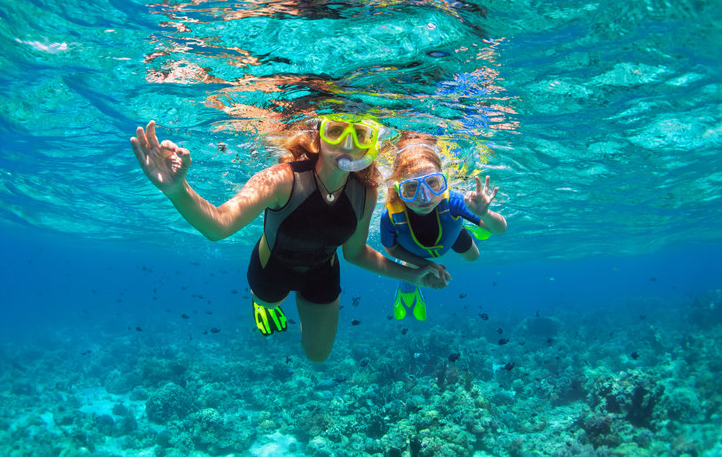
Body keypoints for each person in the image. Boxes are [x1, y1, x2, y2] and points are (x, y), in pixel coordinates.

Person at [130, 117, 449, 362]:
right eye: (336, 131)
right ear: (319, 136)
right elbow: (219, 225)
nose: (348, 145)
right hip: (273, 268)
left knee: (317, 356)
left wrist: (414, 274)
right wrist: (176, 190)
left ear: (370, 144)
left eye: (360, 135)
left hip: (323, 271)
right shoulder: (282, 179)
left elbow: (355, 254)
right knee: (268, 302)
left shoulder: (366, 192)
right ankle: (261, 302)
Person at [380, 137, 507, 321]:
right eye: (411, 187)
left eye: (432, 183)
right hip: (412, 250)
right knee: (410, 269)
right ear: (399, 189)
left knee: (474, 257)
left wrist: (485, 214)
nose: (424, 197)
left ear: (444, 181)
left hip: (450, 234)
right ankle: (407, 286)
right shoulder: (391, 216)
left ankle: (474, 221)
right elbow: (390, 249)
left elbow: (500, 229)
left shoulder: (454, 201)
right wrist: (426, 265)